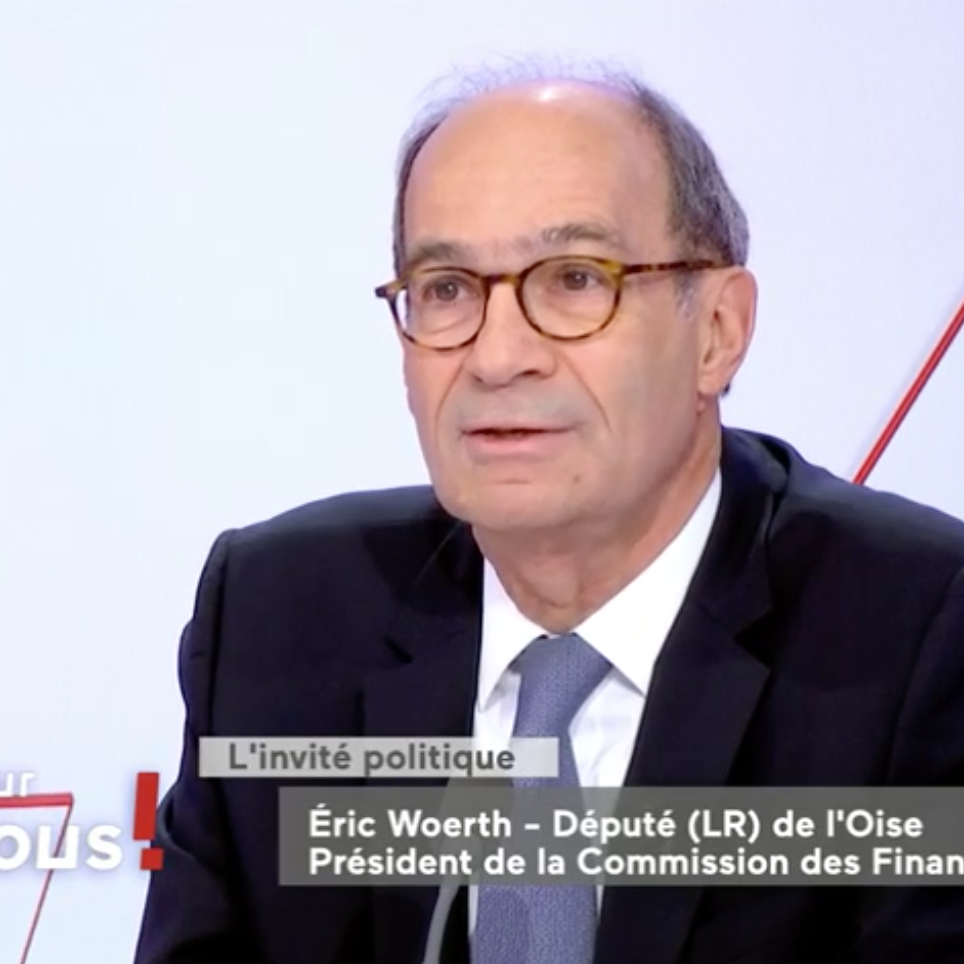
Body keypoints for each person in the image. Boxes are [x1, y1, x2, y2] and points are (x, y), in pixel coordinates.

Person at [133, 62, 964, 964]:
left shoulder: (919, 633)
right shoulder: (278, 616)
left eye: (574, 280)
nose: (497, 357)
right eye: (447, 288)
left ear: (717, 332)